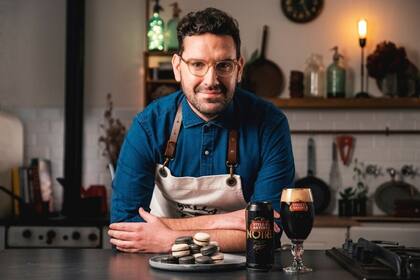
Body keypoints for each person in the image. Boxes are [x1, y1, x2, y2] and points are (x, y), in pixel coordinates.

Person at [108, 7, 295, 253]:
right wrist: (227, 221)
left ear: (239, 68)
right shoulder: (149, 125)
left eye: (224, 66)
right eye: (197, 64)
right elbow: (124, 229)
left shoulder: (269, 124)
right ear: (177, 67)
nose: (211, 80)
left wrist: (167, 238)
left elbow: (267, 231)